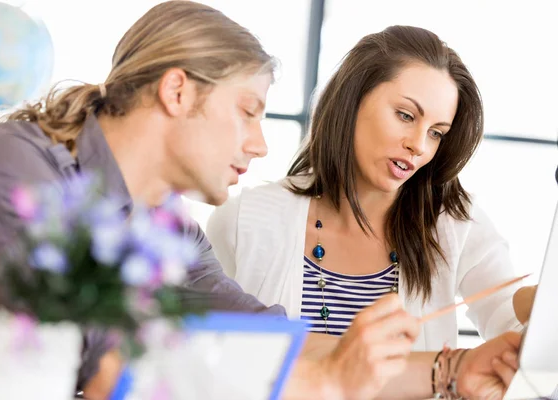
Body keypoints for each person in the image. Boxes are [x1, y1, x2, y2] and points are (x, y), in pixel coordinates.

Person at [0, 2, 519, 399]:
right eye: (247, 110)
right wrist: (326, 387)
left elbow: (268, 339)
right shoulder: (9, 162)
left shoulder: (169, 231)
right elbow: (109, 365)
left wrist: (453, 370)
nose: (260, 141)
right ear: (178, 91)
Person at [207, 24, 528, 351]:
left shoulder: (454, 223)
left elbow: (510, 320)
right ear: (353, 99)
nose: (418, 145)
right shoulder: (243, 221)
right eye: (405, 115)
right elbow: (203, 355)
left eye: (436, 133)